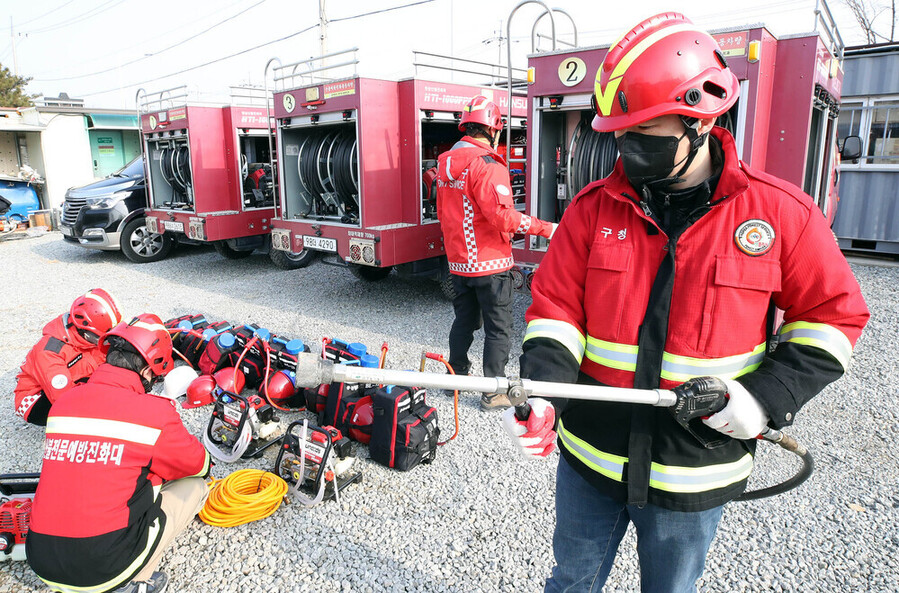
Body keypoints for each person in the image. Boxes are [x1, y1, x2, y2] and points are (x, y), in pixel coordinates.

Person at [502, 13, 870, 593]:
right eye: (620, 134)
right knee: (570, 581)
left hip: (694, 467)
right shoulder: (593, 210)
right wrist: (546, 391)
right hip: (590, 460)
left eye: (644, 135)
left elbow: (833, 317)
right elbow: (555, 309)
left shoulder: (778, 216)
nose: (626, 149)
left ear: (701, 119)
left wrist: (766, 400)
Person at [27, 314, 211, 593]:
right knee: (194, 486)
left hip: (41, 560)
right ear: (150, 370)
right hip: (102, 568)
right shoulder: (153, 412)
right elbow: (199, 465)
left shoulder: (64, 402)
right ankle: (133, 583)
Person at [436, 94, 556, 409]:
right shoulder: (486, 164)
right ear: (494, 129)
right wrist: (546, 228)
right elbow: (502, 217)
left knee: (464, 321)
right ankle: (493, 391)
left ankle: (454, 378)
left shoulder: (446, 163)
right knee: (498, 328)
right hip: (491, 263)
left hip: (459, 264)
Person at [14, 288, 123, 425]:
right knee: (97, 395)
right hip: (37, 399)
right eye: (101, 338)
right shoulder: (50, 351)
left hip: (74, 378)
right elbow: (62, 397)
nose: (105, 341)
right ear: (85, 331)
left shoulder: (87, 334)